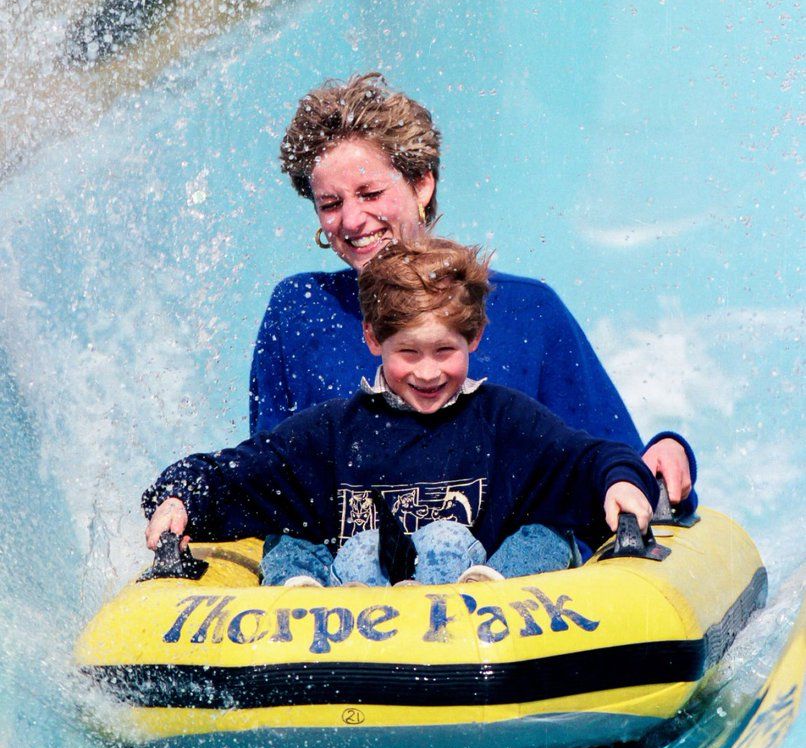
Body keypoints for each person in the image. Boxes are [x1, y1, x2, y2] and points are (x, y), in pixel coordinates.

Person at [249, 72, 695, 503]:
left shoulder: (527, 310)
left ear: (422, 183)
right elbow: (268, 477)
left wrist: (666, 452)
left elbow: (612, 462)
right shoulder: (300, 310)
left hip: (506, 574)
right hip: (346, 572)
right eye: (330, 203)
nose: (350, 220)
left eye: (369, 194)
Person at [143, 236, 670, 588]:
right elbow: (242, 472)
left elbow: (585, 458)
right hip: (353, 613)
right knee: (287, 536)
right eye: (408, 354)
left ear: (475, 338)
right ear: (373, 340)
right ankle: (299, 600)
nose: (427, 372)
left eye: (445, 352)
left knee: (544, 537)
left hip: (484, 616)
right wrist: (180, 496)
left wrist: (620, 483)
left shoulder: (504, 422)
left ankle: (493, 591)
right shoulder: (333, 432)